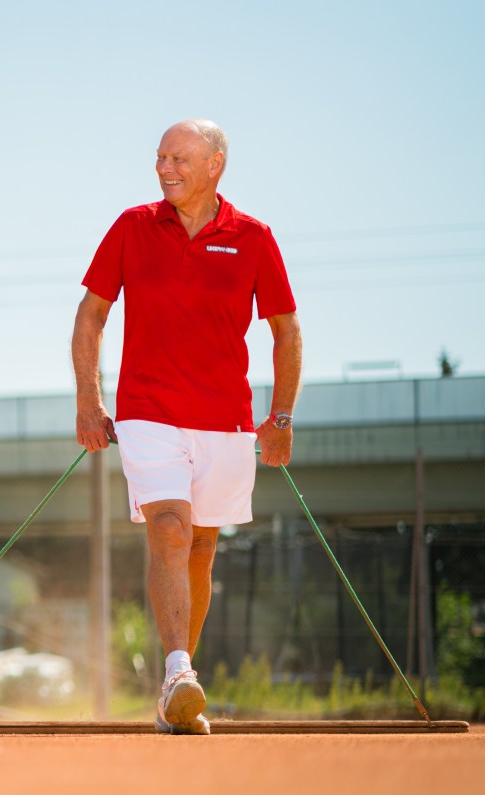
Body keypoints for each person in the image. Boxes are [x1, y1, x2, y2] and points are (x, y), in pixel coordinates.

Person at [71, 119, 301, 735]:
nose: (165, 168)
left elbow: (286, 330)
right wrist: (88, 401)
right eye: (160, 157)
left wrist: (279, 417)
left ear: (215, 164)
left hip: (226, 420)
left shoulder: (253, 237)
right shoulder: (132, 226)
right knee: (169, 529)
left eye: (179, 158)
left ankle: (178, 686)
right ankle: (178, 672)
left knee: (201, 547)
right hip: (147, 411)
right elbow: (92, 314)